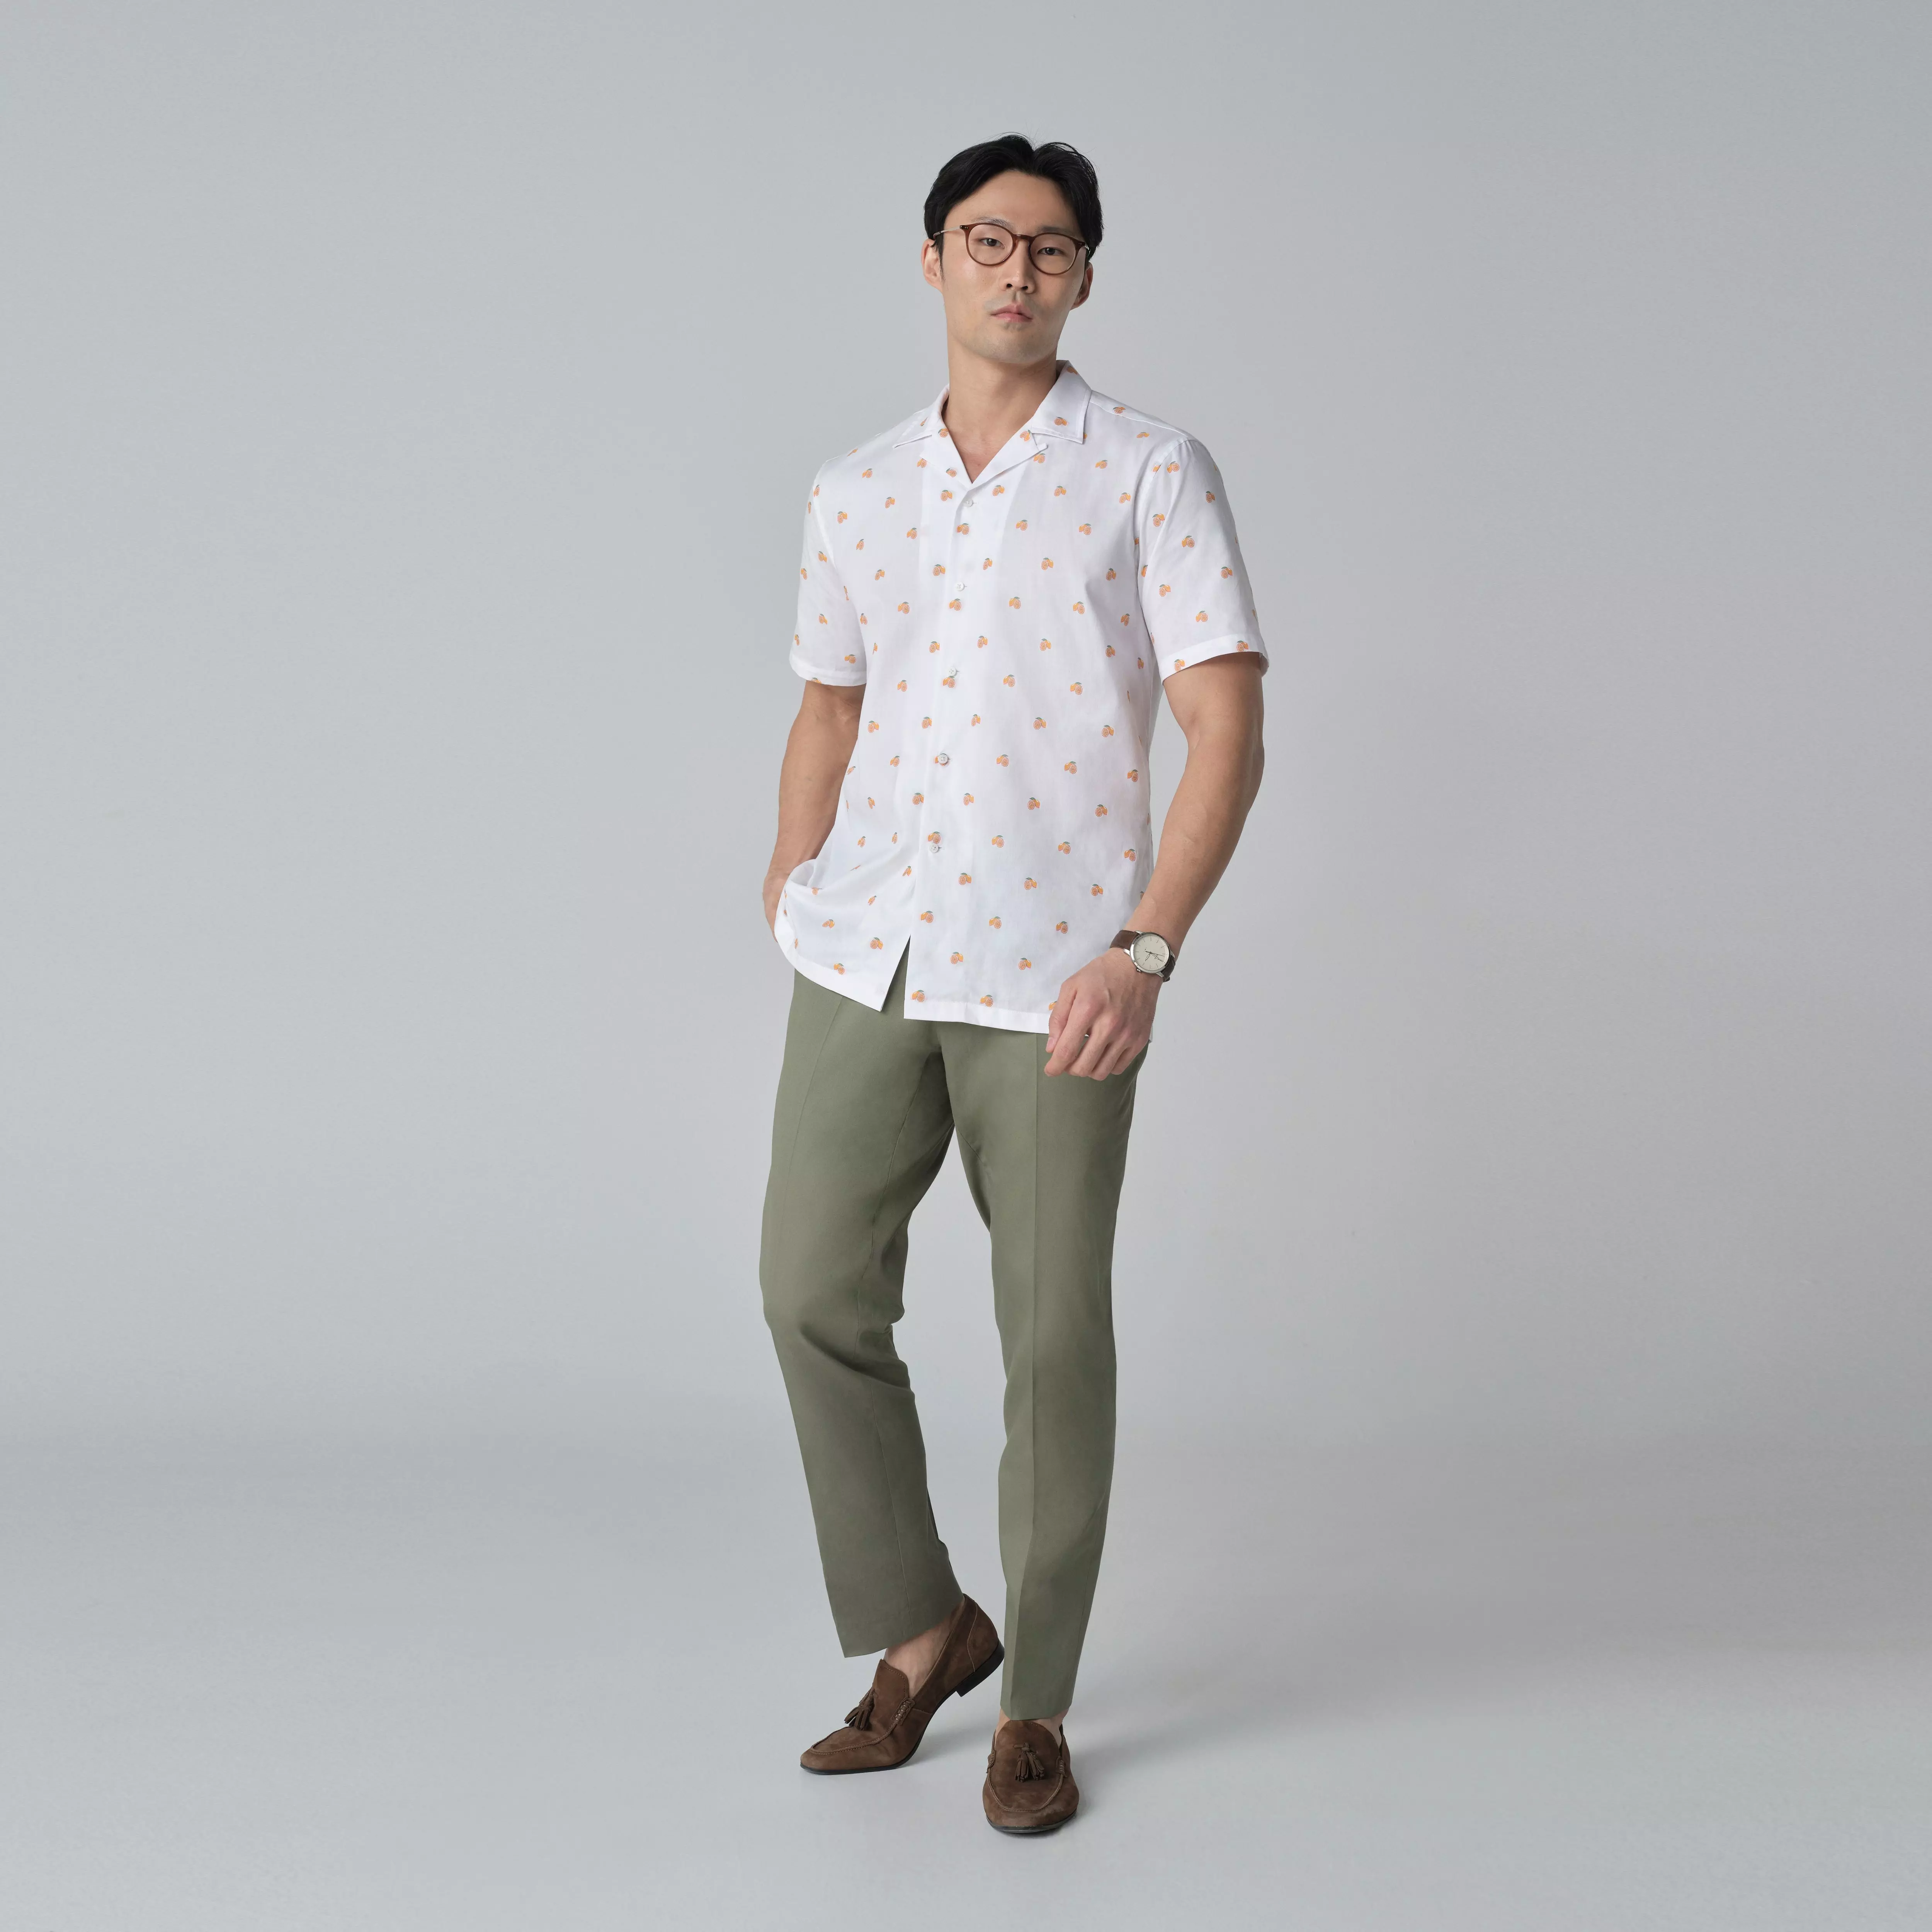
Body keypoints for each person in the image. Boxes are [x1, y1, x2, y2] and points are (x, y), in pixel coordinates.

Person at [759, 132, 1268, 1835]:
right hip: (869, 951)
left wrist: (1146, 946)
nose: (1016, 271)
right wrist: (793, 872)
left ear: (1084, 277)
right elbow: (827, 703)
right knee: (808, 1288)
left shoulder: (1149, 471)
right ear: (933, 261)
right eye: (986, 240)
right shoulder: (853, 489)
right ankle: (926, 1627)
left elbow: (1223, 723)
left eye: (1049, 248)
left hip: (1060, 974)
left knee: (1050, 1340)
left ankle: (1032, 1698)